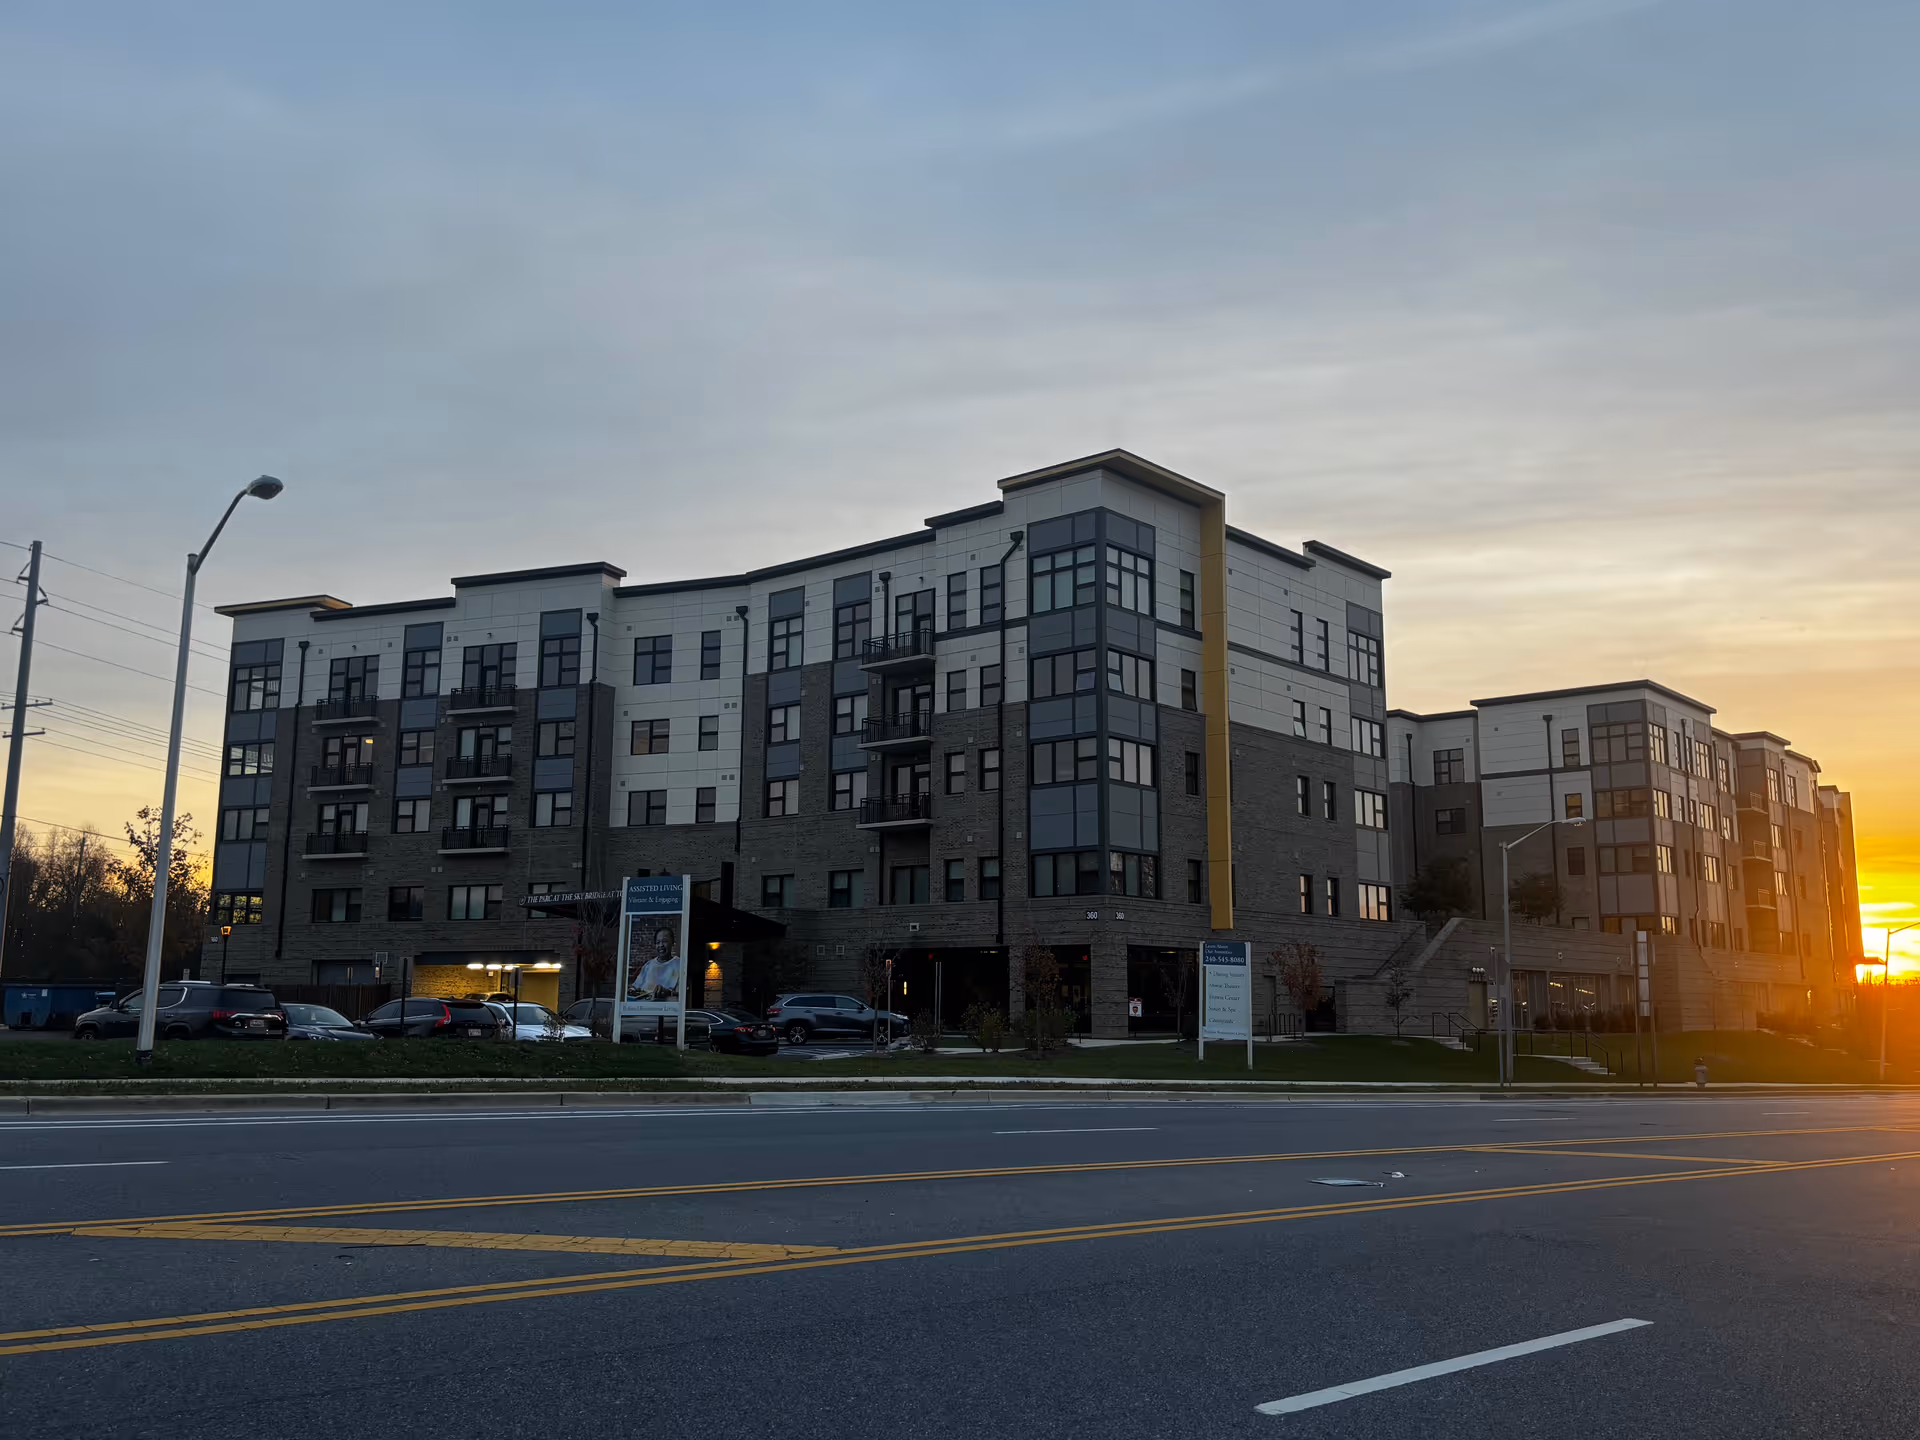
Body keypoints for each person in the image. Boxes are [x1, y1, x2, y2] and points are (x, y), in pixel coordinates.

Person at [632, 927, 682, 1000]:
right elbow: (635, 987)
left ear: (673, 942)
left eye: (664, 941)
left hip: (665, 1008)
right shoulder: (649, 965)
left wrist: (668, 992)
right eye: (658, 942)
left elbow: (683, 994)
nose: (661, 945)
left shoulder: (680, 964)